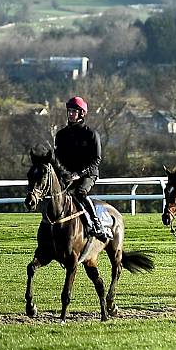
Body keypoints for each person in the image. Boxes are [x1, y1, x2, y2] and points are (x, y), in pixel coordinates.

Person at [54, 96, 108, 241]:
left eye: (74, 111)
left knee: (80, 193)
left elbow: (96, 160)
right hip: (68, 175)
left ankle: (96, 224)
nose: (71, 114)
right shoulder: (61, 135)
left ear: (81, 113)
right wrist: (65, 174)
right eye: (70, 111)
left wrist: (79, 174)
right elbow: (58, 159)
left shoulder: (91, 134)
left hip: (88, 174)